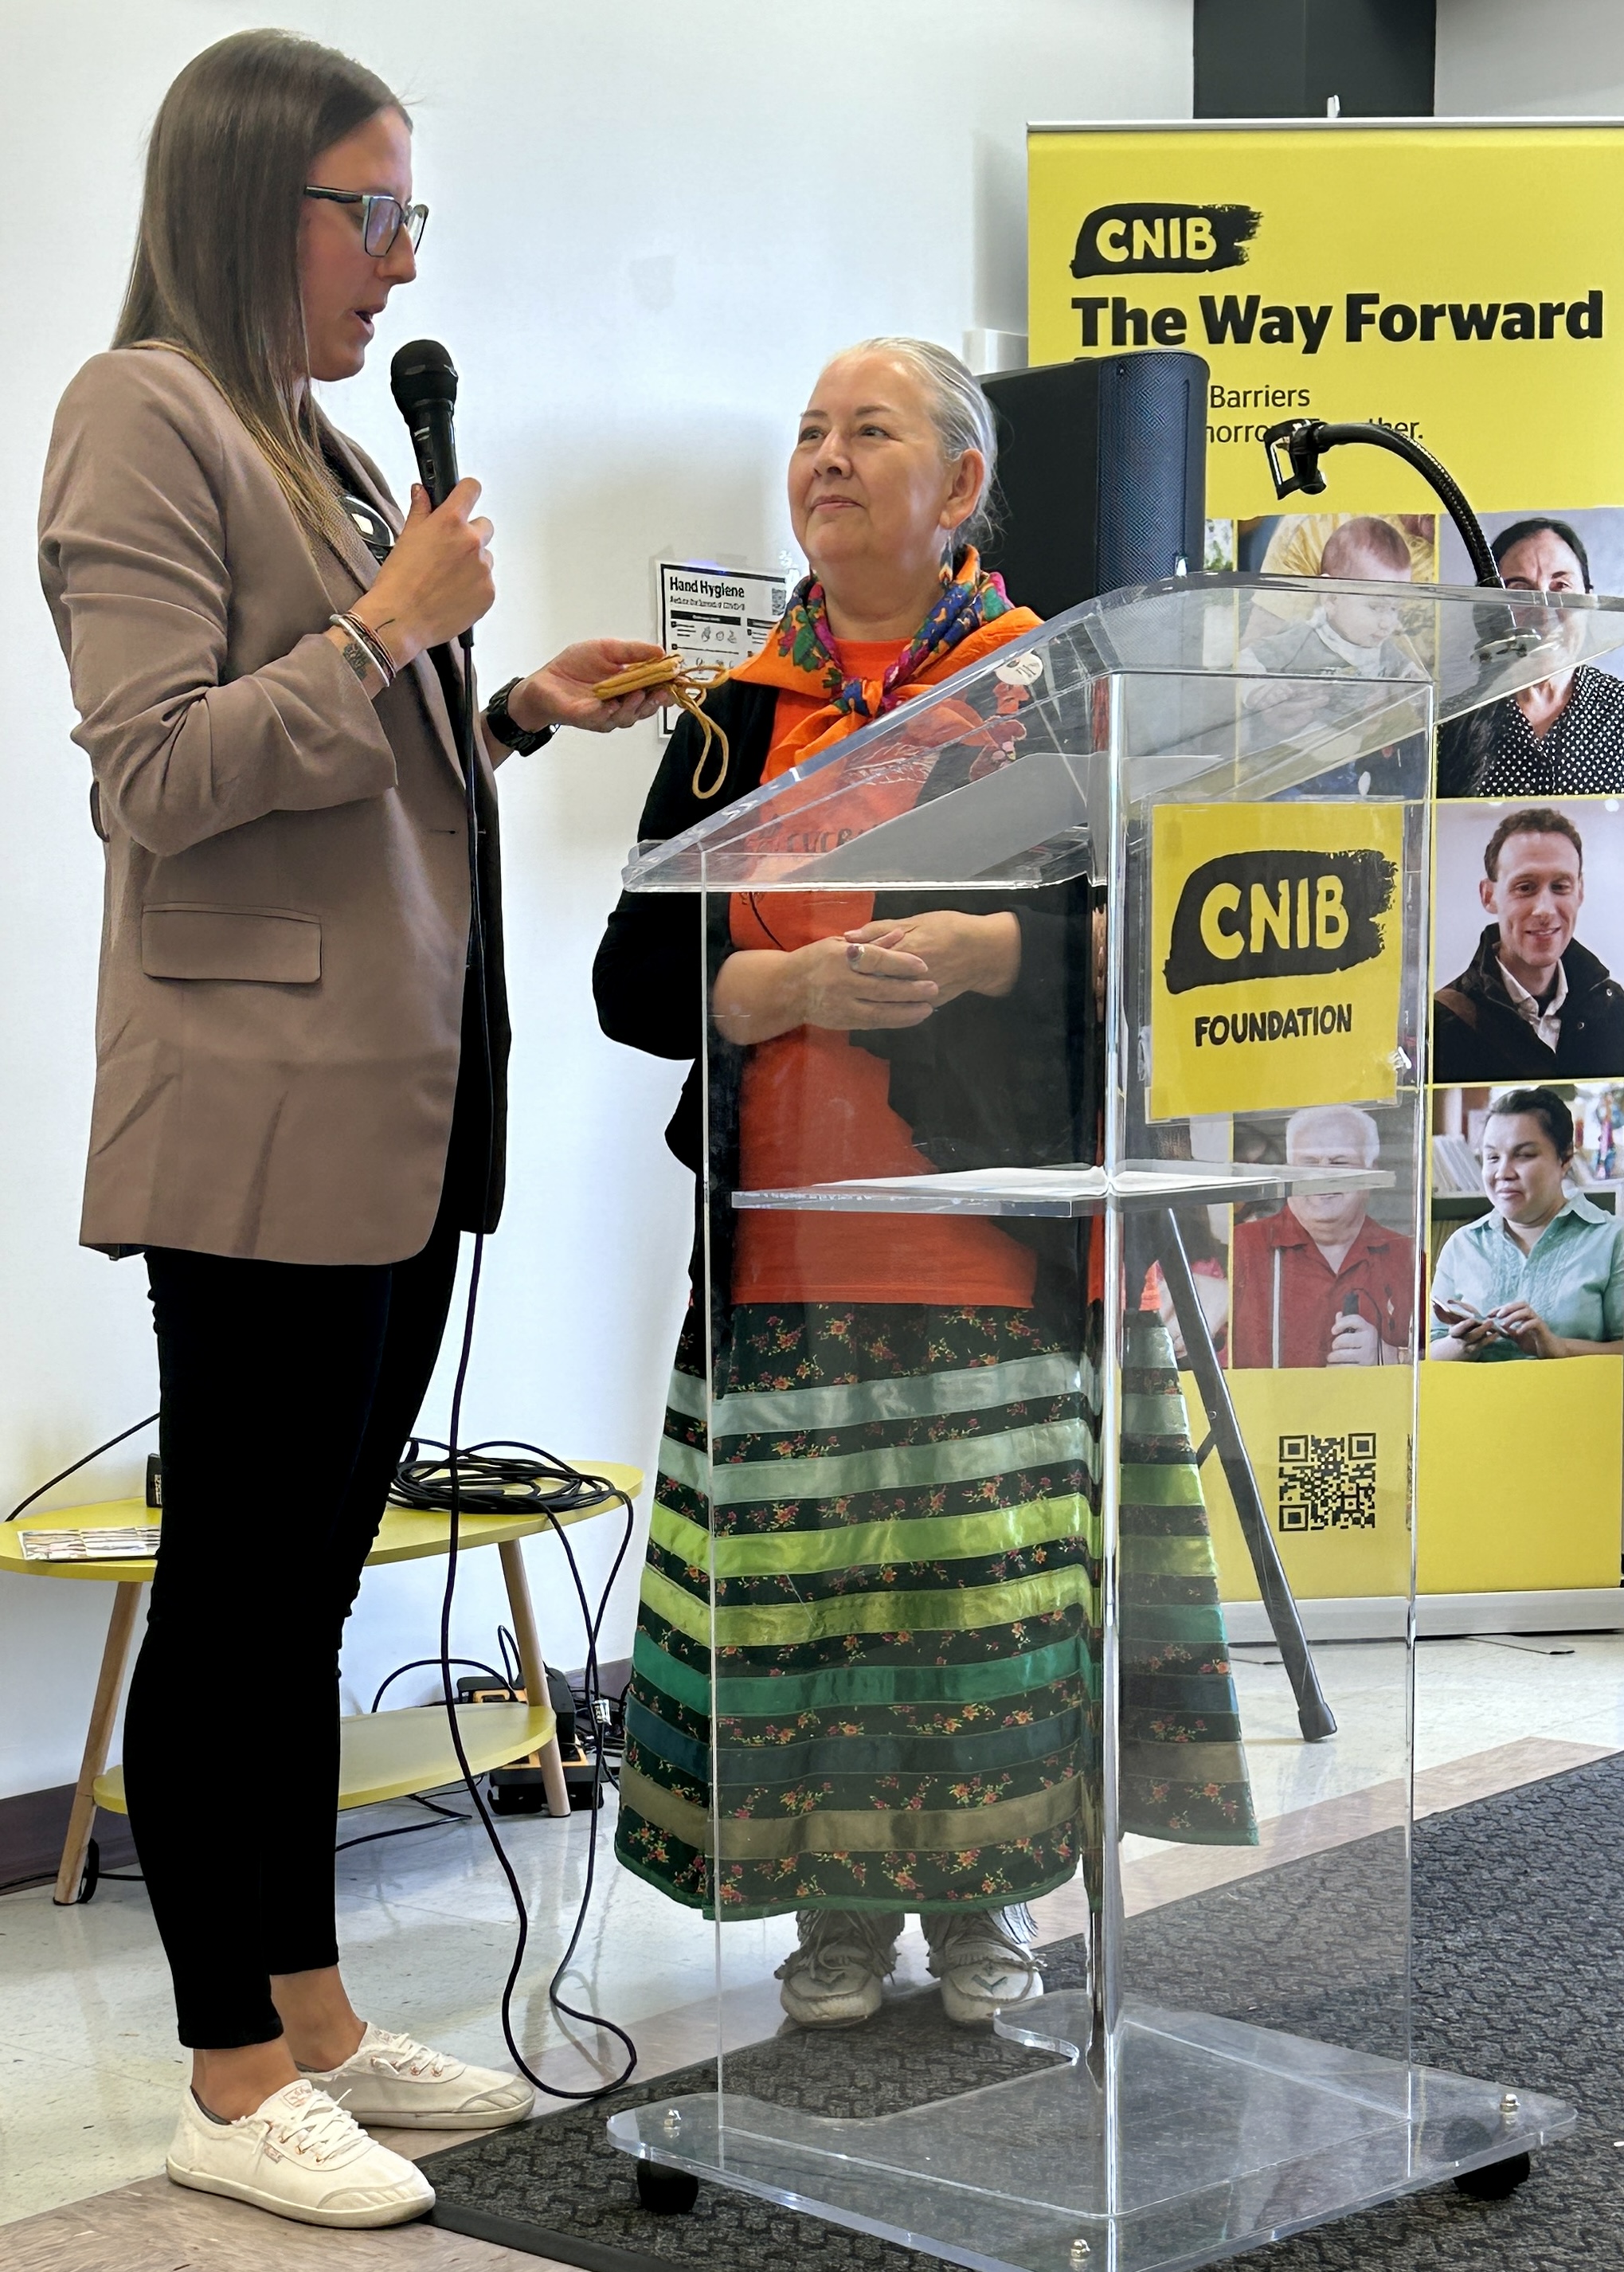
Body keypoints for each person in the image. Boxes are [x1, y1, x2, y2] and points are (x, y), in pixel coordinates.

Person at [36, 32, 663, 2231]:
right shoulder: (142, 414)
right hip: (263, 1115)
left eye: (414, 220)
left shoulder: (308, 440)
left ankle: (307, 2008)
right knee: (236, 1600)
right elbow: (159, 779)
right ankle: (225, 2072)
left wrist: (493, 700)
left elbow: (348, 762)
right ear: (249, 206)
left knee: (302, 1589)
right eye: (370, 213)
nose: (401, 261)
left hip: (396, 1101)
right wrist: (396, 624)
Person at [595, 337, 1254, 2036]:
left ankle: (982, 1908)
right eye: (805, 430)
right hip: (782, 1257)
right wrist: (760, 995)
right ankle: (830, 1907)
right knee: (811, 1605)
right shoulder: (733, 716)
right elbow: (621, 978)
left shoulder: (1039, 688)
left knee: (978, 1601)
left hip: (988, 1238)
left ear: (956, 487)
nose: (821, 457)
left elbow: (1159, 939)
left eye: (864, 430)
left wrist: (989, 948)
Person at [1430, 1088, 1624, 1361]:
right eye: (1493, 1157)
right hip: (1478, 1402)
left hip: (1578, 1402)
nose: (1503, 1173)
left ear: (1565, 1158)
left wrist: (1559, 1348)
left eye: (1524, 1155)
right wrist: (1463, 1344)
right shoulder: (1462, 1244)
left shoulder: (1613, 1239)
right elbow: (1429, 1353)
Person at [1432, 807, 1624, 1083]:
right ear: (1489, 896)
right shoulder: (1441, 1026)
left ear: (1580, 891)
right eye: (1525, 887)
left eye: (1560, 886)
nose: (1544, 910)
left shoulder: (1614, 1010)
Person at [1436, 519, 1624, 795]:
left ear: (1589, 601)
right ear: (1488, 612)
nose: (1544, 614)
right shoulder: (1448, 727)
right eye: (1520, 591)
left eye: (1561, 587)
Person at [1229, 1107, 1415, 1368]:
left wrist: (1391, 1357)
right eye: (1308, 1163)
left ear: (1372, 1173)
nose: (1323, 1176)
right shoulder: (1239, 1248)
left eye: (1340, 1163)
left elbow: (1439, 1367)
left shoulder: (1408, 1258)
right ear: (1287, 1171)